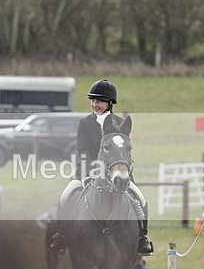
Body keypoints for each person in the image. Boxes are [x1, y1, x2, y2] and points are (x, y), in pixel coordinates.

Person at [46, 79, 154, 257]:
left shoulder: (120, 123)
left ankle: (142, 237)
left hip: (118, 171)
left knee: (140, 199)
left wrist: (124, 168)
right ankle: (60, 235)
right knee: (65, 196)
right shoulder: (85, 123)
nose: (95, 104)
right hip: (88, 171)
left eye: (99, 101)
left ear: (109, 103)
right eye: (93, 101)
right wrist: (91, 170)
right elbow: (83, 150)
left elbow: (124, 151)